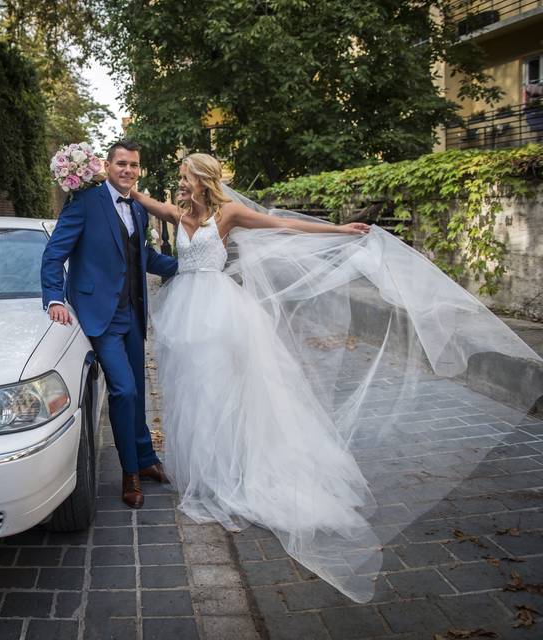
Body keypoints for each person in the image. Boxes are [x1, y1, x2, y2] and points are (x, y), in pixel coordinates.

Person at [130, 152, 542, 603]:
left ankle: (236, 473)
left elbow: (285, 227)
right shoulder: (176, 213)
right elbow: (134, 193)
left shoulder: (229, 213)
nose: (180, 183)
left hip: (223, 314)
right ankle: (205, 475)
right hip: (186, 314)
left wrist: (340, 231)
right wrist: (96, 175)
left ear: (202, 178)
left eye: (185, 176)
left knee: (225, 392)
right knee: (194, 394)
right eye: (180, 179)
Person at [41, 139, 178, 509]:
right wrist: (54, 298)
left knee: (137, 389)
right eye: (121, 164)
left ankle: (147, 459)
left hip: (133, 313)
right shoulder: (84, 203)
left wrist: (187, 267)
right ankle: (129, 471)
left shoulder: (137, 208)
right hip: (100, 315)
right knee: (124, 390)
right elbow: (54, 255)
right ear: (107, 164)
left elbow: (142, 255)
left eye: (134, 165)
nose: (128, 171)